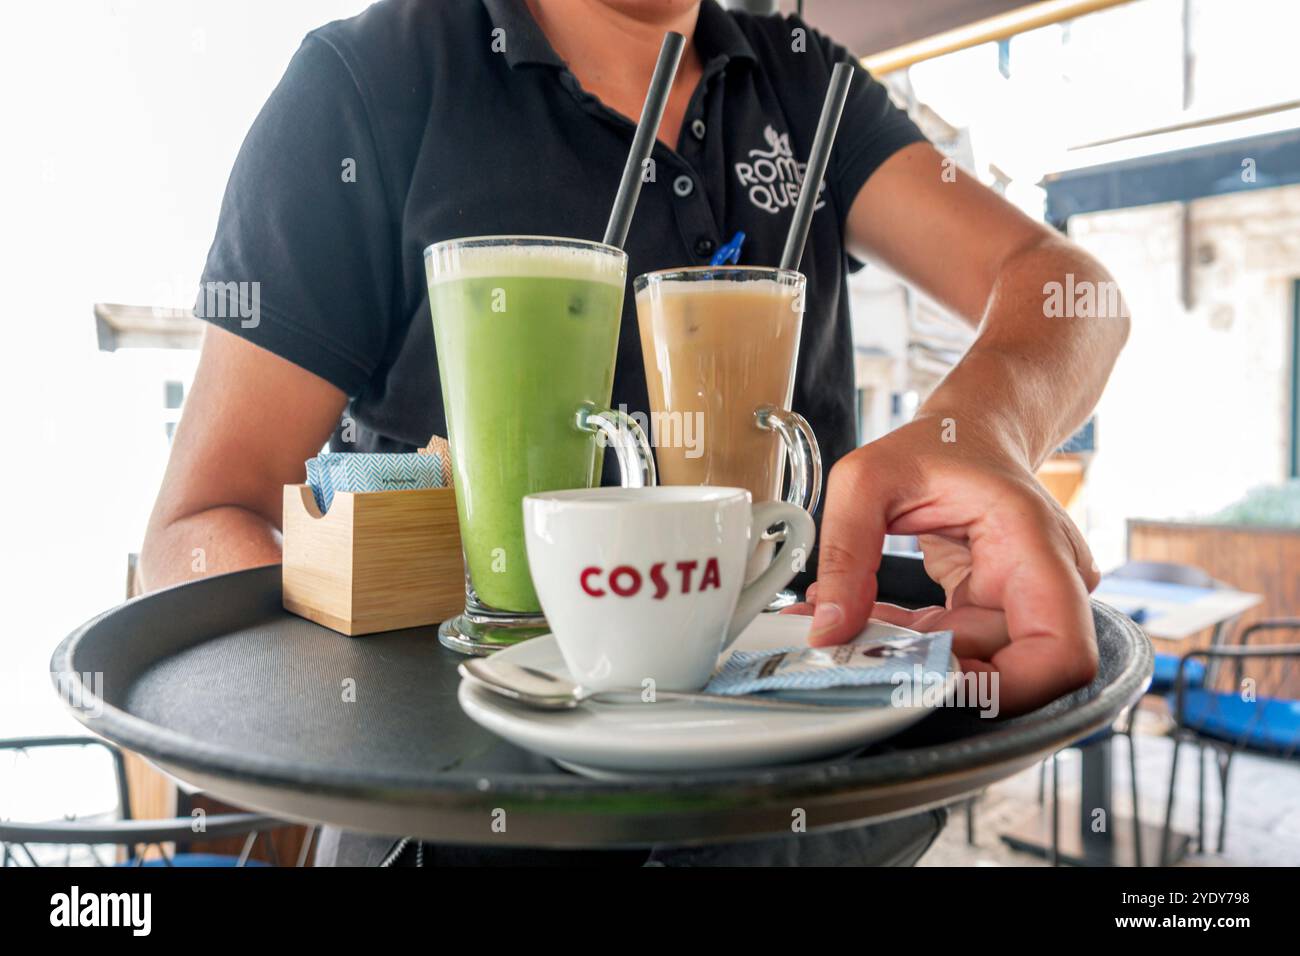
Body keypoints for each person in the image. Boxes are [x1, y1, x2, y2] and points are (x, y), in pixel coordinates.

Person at [140, 0, 1128, 865]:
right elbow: (196, 524)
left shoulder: (803, 80)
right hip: (461, 828)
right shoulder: (375, 80)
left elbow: (1066, 287)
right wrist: (378, 694)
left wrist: (981, 427)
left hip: (808, 812)